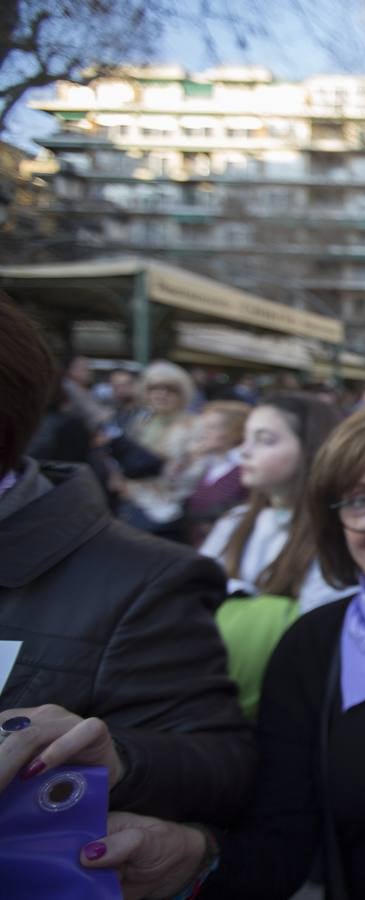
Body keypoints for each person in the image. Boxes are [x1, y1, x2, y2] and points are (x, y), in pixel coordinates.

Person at [81, 398, 365, 899]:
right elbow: (282, 844)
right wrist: (192, 856)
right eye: (360, 501)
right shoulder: (312, 650)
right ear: (334, 518)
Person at [0, 296, 254, 826]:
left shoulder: (151, 581)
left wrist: (118, 759)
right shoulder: (130, 420)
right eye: (152, 389)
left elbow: (221, 773)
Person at [198, 394, 351, 611]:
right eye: (245, 437)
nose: (244, 451)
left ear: (311, 449)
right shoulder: (235, 521)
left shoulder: (337, 535)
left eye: (265, 440)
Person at [115, 360, 200, 541]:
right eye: (155, 389)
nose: (161, 395)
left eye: (170, 390)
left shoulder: (192, 425)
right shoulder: (141, 421)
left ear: (182, 395)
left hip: (168, 514)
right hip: (132, 506)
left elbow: (194, 472)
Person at [183, 400, 252, 547]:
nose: (202, 433)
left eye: (211, 428)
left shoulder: (246, 470)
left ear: (235, 432)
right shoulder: (205, 465)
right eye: (202, 427)